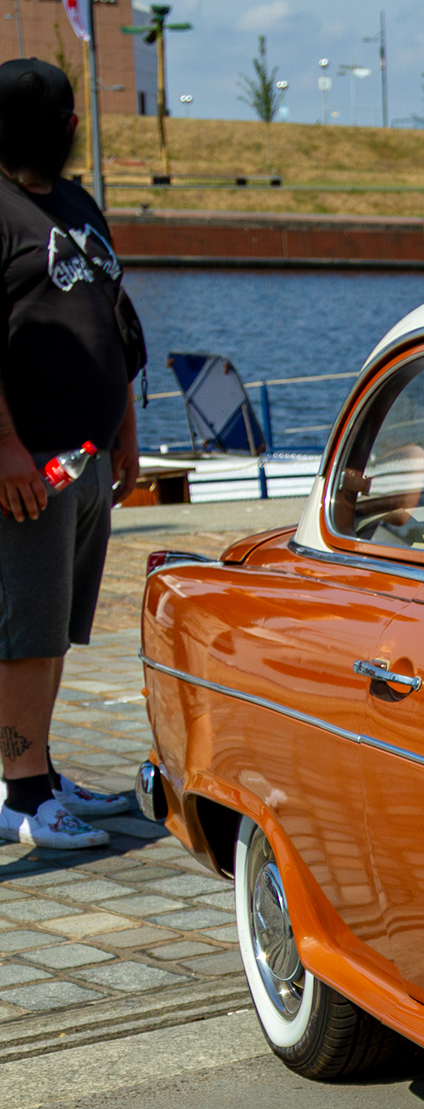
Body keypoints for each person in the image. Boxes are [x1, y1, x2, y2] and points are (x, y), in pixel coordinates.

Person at [0, 59, 141, 850]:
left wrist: (124, 430)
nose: (63, 131)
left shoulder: (78, 201)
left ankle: (43, 775)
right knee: (26, 627)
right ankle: (23, 797)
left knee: (55, 625)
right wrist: (6, 448)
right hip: (29, 463)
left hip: (85, 455)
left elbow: (113, 318)